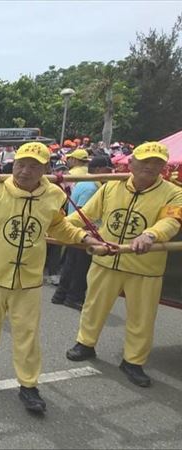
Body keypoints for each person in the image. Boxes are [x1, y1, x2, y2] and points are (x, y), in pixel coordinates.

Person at [0, 142, 100, 414]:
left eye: (34, 166)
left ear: (46, 169)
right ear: (12, 164)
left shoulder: (53, 195)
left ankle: (28, 385)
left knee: (27, 335)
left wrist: (84, 237)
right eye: (21, 164)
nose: (25, 171)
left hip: (27, 280)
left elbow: (60, 226)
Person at [65, 142, 182, 387]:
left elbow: (171, 222)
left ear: (163, 167)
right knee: (93, 306)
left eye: (157, 163)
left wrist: (150, 235)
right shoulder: (112, 186)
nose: (150, 167)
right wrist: (60, 226)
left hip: (144, 266)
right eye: (145, 161)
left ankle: (133, 360)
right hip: (106, 259)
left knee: (142, 317)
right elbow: (85, 214)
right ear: (132, 163)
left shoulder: (173, 192)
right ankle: (86, 343)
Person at [51, 155, 113, 310]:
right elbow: (83, 213)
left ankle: (60, 295)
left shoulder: (85, 182)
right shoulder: (91, 188)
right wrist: (87, 236)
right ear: (99, 170)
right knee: (80, 269)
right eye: (108, 170)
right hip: (81, 232)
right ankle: (73, 297)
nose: (111, 173)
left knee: (69, 265)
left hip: (73, 229)